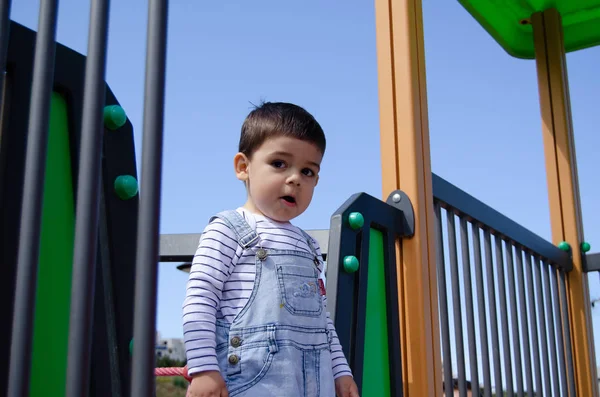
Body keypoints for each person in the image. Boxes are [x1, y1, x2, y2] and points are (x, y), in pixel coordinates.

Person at [182, 102, 359, 397]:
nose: (295, 179)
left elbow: (322, 322)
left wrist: (341, 372)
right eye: (279, 164)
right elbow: (200, 300)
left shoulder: (309, 245)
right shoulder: (229, 229)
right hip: (251, 382)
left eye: (308, 171)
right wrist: (203, 369)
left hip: (314, 384)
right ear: (243, 167)